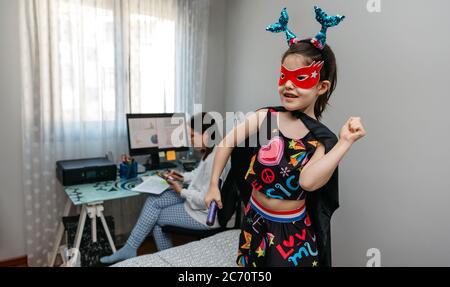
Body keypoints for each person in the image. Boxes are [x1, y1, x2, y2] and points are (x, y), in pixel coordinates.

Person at [204, 6, 366, 267]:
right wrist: (213, 183)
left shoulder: (318, 139)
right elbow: (227, 141)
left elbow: (309, 182)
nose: (288, 85)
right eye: (283, 77)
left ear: (321, 87)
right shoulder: (267, 118)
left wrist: (344, 142)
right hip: (253, 220)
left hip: (289, 233)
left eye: (300, 78)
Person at [101, 112, 231, 264]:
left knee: (155, 219)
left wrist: (180, 190)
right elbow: (198, 174)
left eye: (193, 136)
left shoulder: (215, 160)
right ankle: (131, 249)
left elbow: (204, 200)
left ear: (207, 134)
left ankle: (156, 256)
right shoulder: (212, 152)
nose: (190, 140)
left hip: (203, 215)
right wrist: (181, 176)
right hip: (195, 204)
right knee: (154, 199)